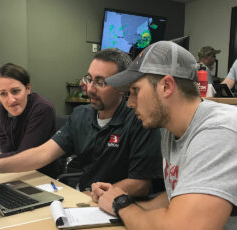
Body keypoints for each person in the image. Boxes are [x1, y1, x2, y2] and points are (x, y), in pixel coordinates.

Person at [0, 48, 163, 197]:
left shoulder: (139, 120)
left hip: (107, 205)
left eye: (101, 82)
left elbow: (141, 183)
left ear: (122, 86)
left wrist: (105, 194)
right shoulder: (81, 115)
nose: (90, 88)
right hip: (75, 195)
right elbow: (43, 153)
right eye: (89, 79)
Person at [93, 41, 237, 229]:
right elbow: (176, 197)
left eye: (135, 91)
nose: (130, 103)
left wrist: (121, 205)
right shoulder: (171, 131)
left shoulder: (219, 131)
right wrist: (118, 203)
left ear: (166, 86)